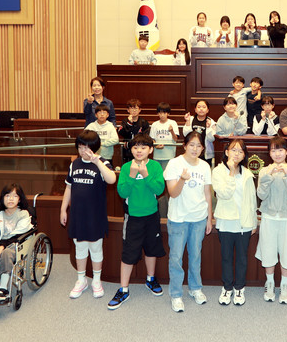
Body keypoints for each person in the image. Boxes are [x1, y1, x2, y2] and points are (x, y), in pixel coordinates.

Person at [108, 134, 166, 309]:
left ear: (151, 150)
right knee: (128, 252)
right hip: (133, 217)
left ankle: (150, 279)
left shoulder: (155, 166)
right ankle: (123, 289)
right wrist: (133, 175)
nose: (139, 151)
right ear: (131, 150)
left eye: (143, 147)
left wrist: (146, 175)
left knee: (151, 249)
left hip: (152, 215)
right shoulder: (126, 167)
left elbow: (159, 189)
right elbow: (122, 193)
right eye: (135, 147)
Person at [60, 131, 117, 299]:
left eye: (86, 147)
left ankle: (96, 281)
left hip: (95, 215)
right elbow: (68, 187)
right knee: (80, 247)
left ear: (94, 148)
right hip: (78, 214)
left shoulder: (103, 162)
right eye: (80, 147)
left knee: (95, 247)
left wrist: (97, 161)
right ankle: (81, 280)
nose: (83, 151)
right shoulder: (74, 164)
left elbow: (111, 179)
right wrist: (63, 209)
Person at [164, 132, 213, 312]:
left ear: (202, 148)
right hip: (179, 219)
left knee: (195, 255)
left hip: (199, 218)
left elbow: (207, 194)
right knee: (176, 258)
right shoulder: (174, 164)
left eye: (198, 145)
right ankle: (176, 294)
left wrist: (209, 218)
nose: (195, 149)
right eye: (191, 144)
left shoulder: (205, 166)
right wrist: (182, 180)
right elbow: (173, 193)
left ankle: (195, 288)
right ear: (184, 146)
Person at [255, 136, 287, 304]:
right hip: (268, 216)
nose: (277, 154)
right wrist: (269, 177)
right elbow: (261, 195)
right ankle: (269, 283)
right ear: (269, 153)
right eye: (274, 150)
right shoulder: (264, 171)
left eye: (281, 150)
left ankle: (284, 284)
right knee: (268, 250)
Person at [212, 139, 257, 305]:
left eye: (240, 151)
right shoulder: (218, 171)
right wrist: (231, 172)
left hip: (244, 223)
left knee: (242, 258)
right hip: (225, 221)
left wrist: (253, 222)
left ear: (244, 155)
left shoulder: (247, 173)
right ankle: (227, 287)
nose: (237, 153)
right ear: (226, 152)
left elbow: (252, 200)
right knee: (226, 257)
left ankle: (239, 287)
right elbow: (224, 194)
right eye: (233, 150)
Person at [182, 100, 217, 165]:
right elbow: (186, 135)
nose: (201, 109)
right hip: (192, 150)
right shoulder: (190, 119)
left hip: (205, 153)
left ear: (207, 110)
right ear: (195, 110)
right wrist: (187, 122)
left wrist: (208, 128)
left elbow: (212, 139)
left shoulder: (211, 122)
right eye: (199, 107)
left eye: (204, 107)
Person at [149, 102, 179, 170]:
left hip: (169, 155)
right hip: (157, 156)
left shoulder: (173, 123)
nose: (162, 115)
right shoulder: (154, 124)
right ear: (157, 113)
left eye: (164, 113)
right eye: (160, 113)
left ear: (168, 113)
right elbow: (152, 139)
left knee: (167, 174)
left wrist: (172, 131)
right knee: (157, 174)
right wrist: (156, 146)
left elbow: (176, 139)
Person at [119, 99, 150, 163]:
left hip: (140, 150)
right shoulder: (125, 121)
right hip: (127, 151)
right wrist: (129, 123)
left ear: (140, 110)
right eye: (132, 108)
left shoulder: (144, 122)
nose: (134, 110)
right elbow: (122, 133)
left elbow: (145, 137)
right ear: (128, 110)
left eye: (136, 108)